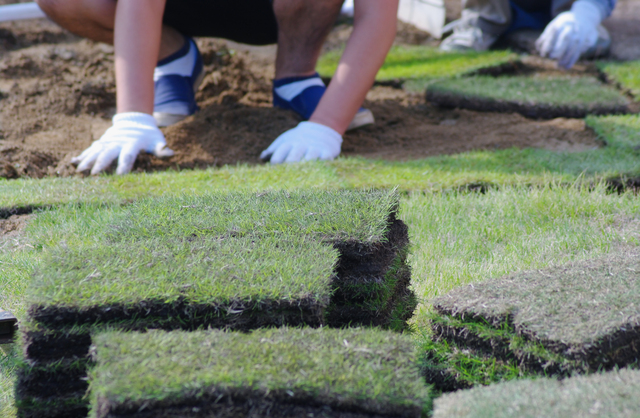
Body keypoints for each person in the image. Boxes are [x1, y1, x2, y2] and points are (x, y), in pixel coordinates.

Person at [35, 0, 399, 174]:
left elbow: (378, 14)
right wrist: (133, 116)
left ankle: (295, 78)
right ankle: (172, 57)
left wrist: (327, 127)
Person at [440, 0, 616, 69]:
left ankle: (570, 22)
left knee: (580, 43)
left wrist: (586, 12)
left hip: (558, 9)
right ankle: (482, 22)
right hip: (501, 5)